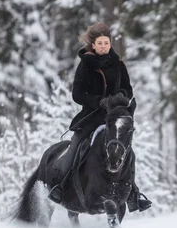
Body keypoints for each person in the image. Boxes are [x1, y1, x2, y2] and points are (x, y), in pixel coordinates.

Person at [48, 23, 152, 212]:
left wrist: (121, 98)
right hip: (91, 117)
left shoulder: (119, 65)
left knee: (128, 152)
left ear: (110, 44)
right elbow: (77, 94)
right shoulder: (85, 65)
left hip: (114, 118)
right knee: (77, 146)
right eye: (100, 43)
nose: (104, 46)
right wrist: (98, 102)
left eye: (106, 43)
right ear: (93, 45)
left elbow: (128, 90)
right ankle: (60, 187)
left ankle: (133, 195)